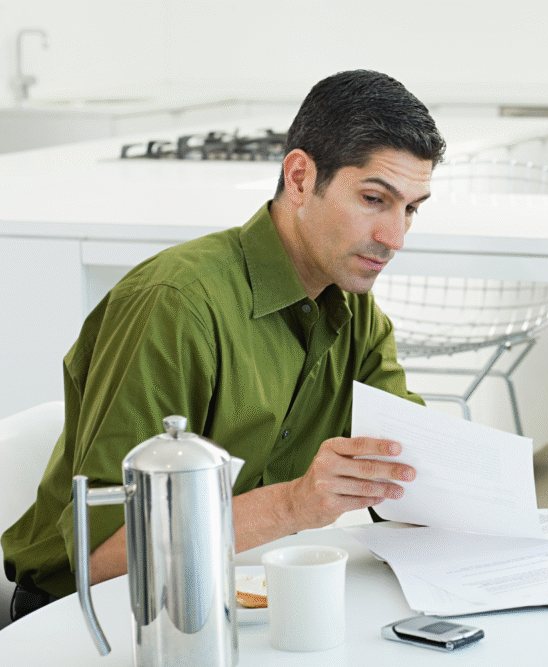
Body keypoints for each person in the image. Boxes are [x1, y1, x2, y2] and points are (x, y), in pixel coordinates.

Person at [2, 69, 447, 619]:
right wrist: (294, 503)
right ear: (300, 178)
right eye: (374, 199)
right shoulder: (175, 305)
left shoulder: (357, 314)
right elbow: (103, 561)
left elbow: (410, 475)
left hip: (237, 594)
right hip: (91, 617)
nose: (395, 238)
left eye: (411, 208)